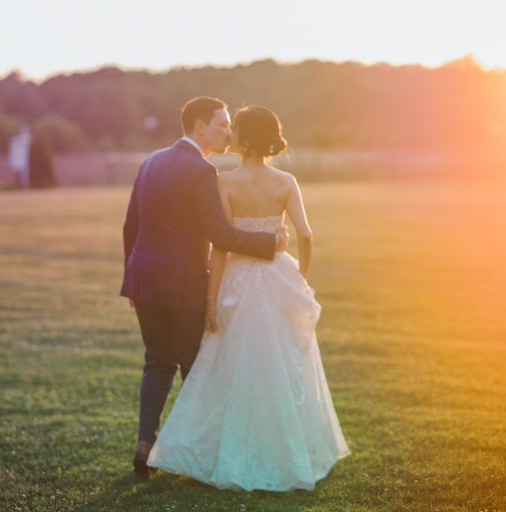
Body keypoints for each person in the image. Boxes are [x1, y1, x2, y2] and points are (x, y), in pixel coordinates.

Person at [147, 106, 350, 491]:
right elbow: (305, 235)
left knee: (230, 366)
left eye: (234, 129)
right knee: (283, 365)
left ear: (245, 139)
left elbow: (219, 248)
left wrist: (211, 300)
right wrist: (300, 278)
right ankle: (288, 450)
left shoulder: (224, 182)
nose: (230, 135)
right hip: (279, 275)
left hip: (238, 279)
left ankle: (226, 451)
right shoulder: (286, 180)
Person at [121, 97, 290, 481]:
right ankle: (196, 454)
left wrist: (131, 279)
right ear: (200, 127)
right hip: (183, 286)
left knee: (156, 361)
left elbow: (131, 228)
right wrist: (270, 243)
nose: (230, 131)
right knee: (196, 370)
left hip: (144, 282)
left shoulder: (150, 161)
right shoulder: (202, 171)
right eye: (222, 124)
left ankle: (146, 443)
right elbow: (220, 235)